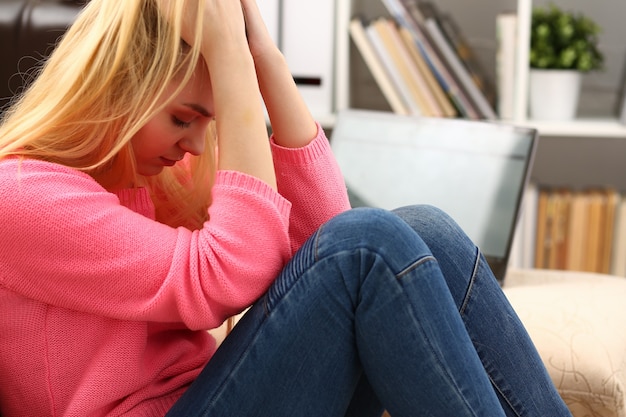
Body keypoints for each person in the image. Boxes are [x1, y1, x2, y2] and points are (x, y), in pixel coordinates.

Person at [0, 1, 572, 416]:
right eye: (183, 118)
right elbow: (227, 274)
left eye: (210, 121)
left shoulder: (153, 175)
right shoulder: (23, 196)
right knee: (373, 245)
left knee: (423, 231)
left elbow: (327, 235)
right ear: (115, 88)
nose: (197, 146)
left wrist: (264, 60)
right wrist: (225, 57)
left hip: (214, 396)